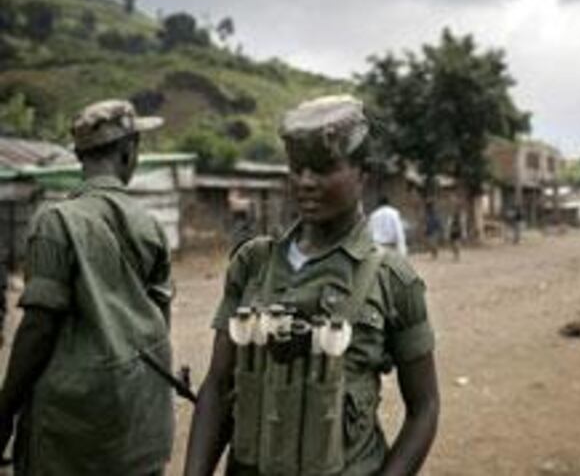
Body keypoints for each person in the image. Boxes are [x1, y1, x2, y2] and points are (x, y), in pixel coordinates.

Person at [184, 95, 439, 476]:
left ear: (362, 173)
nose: (305, 181)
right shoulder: (252, 263)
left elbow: (425, 407)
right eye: (297, 168)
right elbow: (219, 387)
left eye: (323, 168)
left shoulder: (392, 279)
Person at [0, 99, 175, 475]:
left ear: (80, 156)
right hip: (142, 422)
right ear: (130, 153)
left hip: (71, 428)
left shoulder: (56, 221)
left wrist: (5, 411)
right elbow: (162, 319)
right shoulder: (152, 225)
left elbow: (38, 328)